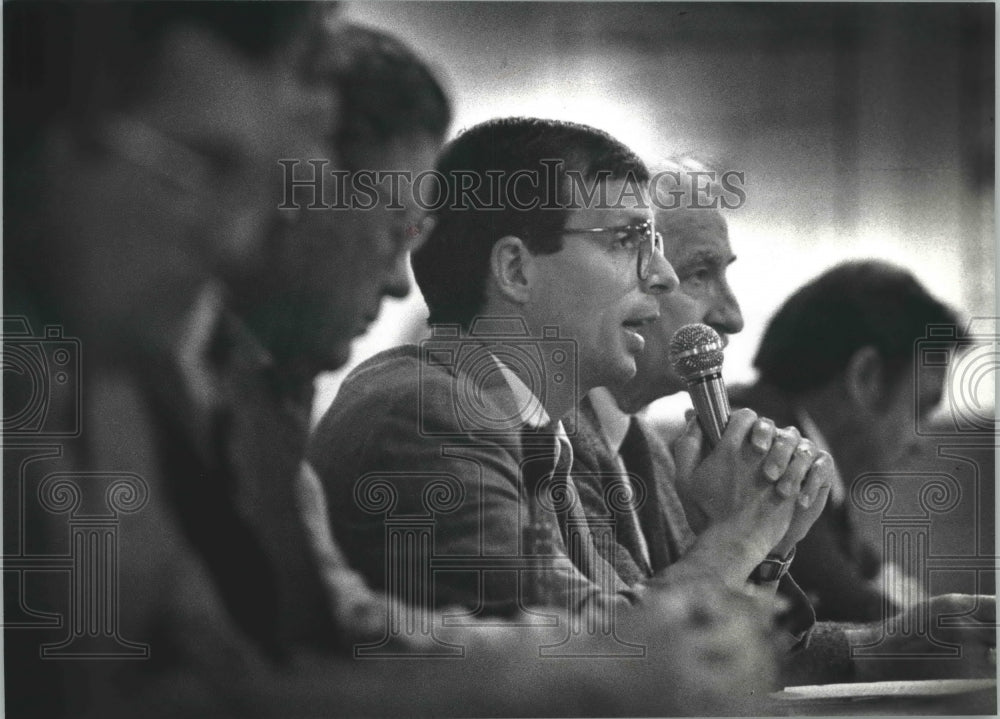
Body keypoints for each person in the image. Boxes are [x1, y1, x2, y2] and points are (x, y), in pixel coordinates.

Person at [309, 118, 828, 622]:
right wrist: (740, 534)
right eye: (626, 242)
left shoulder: (538, 426)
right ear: (516, 270)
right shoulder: (426, 417)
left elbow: (630, 627)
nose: (663, 276)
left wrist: (763, 541)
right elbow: (601, 657)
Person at [571, 197, 995, 684]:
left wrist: (766, 558)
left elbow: (736, 649)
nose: (733, 317)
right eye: (699, 274)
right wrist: (746, 534)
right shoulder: (731, 439)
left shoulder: (646, 444)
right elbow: (611, 656)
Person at [731, 260, 964, 621]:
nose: (922, 441)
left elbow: (877, 582)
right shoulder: (763, 450)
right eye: (919, 408)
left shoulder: (790, 437)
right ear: (866, 376)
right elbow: (862, 613)